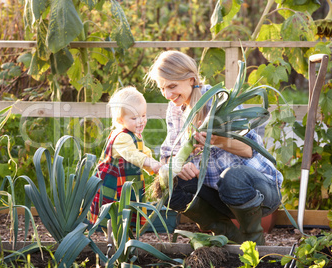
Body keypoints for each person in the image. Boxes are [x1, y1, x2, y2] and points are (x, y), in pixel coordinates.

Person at [145, 50, 283, 245]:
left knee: (233, 177)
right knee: (166, 187)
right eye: (162, 88)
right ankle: (230, 236)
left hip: (259, 192)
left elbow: (248, 150)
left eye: (172, 86)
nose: (167, 94)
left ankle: (255, 242)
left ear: (191, 79)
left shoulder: (220, 100)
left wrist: (214, 140)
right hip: (221, 196)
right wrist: (178, 166)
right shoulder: (175, 110)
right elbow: (167, 156)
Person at [90, 86, 162, 227]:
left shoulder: (134, 134)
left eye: (143, 115)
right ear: (120, 120)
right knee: (113, 212)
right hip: (113, 183)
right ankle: (112, 238)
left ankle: (124, 235)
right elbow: (133, 155)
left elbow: (144, 151)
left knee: (127, 211)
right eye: (134, 118)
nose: (141, 121)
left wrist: (154, 165)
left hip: (126, 183)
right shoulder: (122, 137)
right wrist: (150, 163)